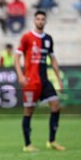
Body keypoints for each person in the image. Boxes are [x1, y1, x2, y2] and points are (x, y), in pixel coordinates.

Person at [14, 10, 65, 152]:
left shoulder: (48, 39)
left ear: (46, 21)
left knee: (56, 106)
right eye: (38, 19)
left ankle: (52, 141)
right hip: (31, 81)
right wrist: (20, 75)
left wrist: (59, 79)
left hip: (45, 81)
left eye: (43, 19)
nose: (40, 21)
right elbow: (17, 57)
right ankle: (27, 144)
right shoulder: (27, 37)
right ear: (34, 21)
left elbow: (53, 60)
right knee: (28, 111)